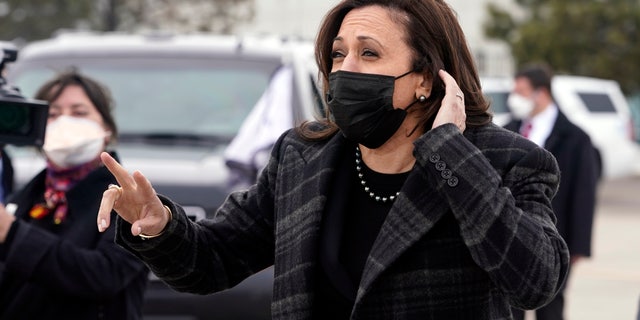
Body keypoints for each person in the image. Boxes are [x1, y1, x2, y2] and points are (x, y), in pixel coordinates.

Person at [97, 0, 570, 319]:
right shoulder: (303, 157)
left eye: (369, 54)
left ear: (425, 79)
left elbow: (534, 281)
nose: (346, 70)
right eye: (339, 55)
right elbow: (212, 263)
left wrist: (449, 150)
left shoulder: (506, 161)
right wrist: (158, 225)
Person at [0, 71, 148, 319]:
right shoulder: (29, 195)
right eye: (54, 115)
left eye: (79, 113)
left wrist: (12, 233)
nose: (64, 123)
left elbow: (104, 276)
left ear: (106, 129)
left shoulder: (128, 200)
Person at [504, 63, 599, 320]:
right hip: (512, 236)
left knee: (551, 306)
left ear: (541, 93)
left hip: (556, 237)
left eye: (521, 91)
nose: (516, 98)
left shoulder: (575, 137)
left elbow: (584, 194)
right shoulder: (508, 130)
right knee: (509, 307)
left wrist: (580, 244)